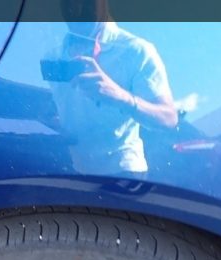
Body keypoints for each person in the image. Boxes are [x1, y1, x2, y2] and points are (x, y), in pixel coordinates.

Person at [49, 11, 178, 176]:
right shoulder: (52, 56)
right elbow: (65, 110)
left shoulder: (135, 50)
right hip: (70, 172)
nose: (78, 6)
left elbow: (168, 118)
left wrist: (120, 96)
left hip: (123, 175)